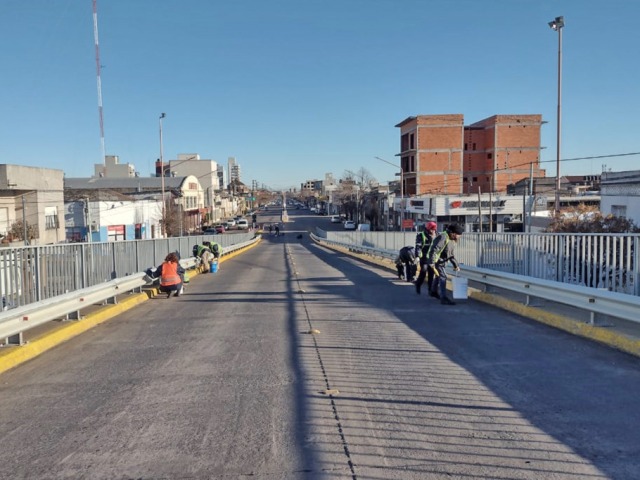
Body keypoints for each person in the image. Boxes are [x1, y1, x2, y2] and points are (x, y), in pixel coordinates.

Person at [427, 223, 463, 305]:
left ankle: (433, 291)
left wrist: (455, 265)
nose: (459, 237)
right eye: (458, 234)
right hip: (437, 261)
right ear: (453, 233)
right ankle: (443, 298)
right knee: (443, 277)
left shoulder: (451, 240)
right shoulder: (443, 237)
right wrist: (432, 262)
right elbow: (434, 249)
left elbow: (450, 254)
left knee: (438, 276)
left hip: (441, 261)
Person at [414, 221, 438, 295]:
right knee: (423, 272)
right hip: (424, 258)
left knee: (431, 274)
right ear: (427, 229)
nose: (433, 231)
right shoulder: (421, 235)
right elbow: (418, 246)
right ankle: (418, 285)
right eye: (431, 229)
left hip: (432, 258)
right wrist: (417, 256)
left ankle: (430, 290)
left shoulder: (437, 235)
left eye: (434, 229)